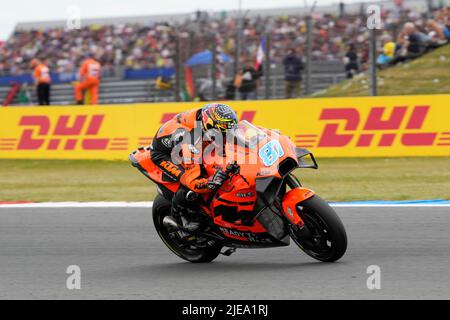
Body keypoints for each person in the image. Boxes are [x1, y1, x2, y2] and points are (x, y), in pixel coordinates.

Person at [150, 103, 238, 231]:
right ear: (209, 126)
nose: (227, 135)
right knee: (188, 181)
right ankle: (177, 216)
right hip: (164, 154)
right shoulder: (191, 141)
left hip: (183, 138)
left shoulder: (209, 116)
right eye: (223, 132)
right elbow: (193, 182)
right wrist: (210, 183)